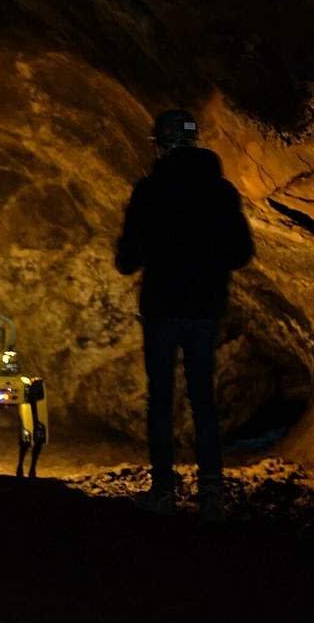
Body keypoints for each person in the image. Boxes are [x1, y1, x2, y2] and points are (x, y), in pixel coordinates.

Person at [115, 110, 254, 522]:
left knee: (160, 400)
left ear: (160, 144)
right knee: (203, 400)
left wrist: (155, 253)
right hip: (205, 308)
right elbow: (241, 253)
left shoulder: (149, 191)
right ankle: (212, 494)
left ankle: (164, 491)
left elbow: (126, 260)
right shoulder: (221, 191)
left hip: (162, 309)